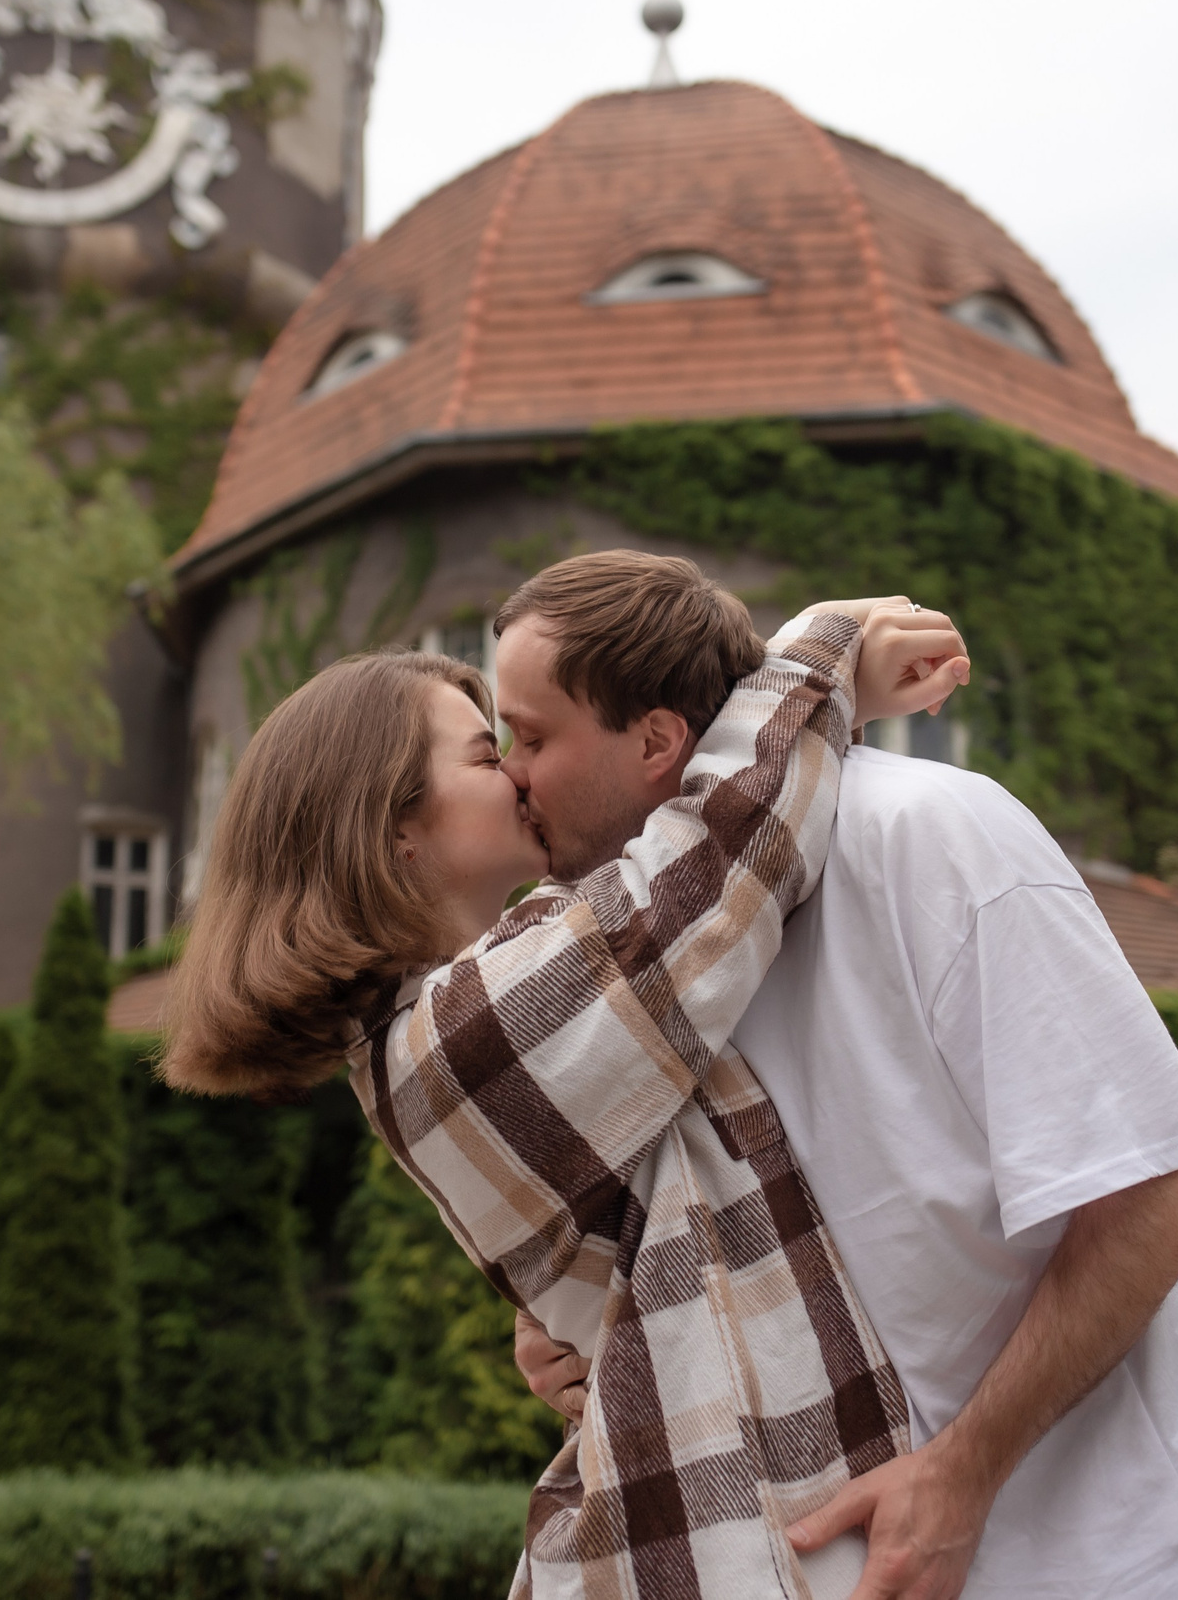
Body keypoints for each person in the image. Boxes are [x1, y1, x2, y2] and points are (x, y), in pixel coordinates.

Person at [497, 552, 1178, 1600]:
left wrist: (959, 1477)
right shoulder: (627, 955)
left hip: (1130, 1552)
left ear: (658, 741)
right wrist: (574, 1338)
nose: (509, 776)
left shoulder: (931, 834)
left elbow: (1166, 1186)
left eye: (530, 737)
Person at [165, 591, 973, 1600]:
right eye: (481, 753)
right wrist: (821, 647)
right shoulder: (455, 1037)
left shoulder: (466, 1003)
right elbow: (715, 856)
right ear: (395, 834)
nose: (513, 769)